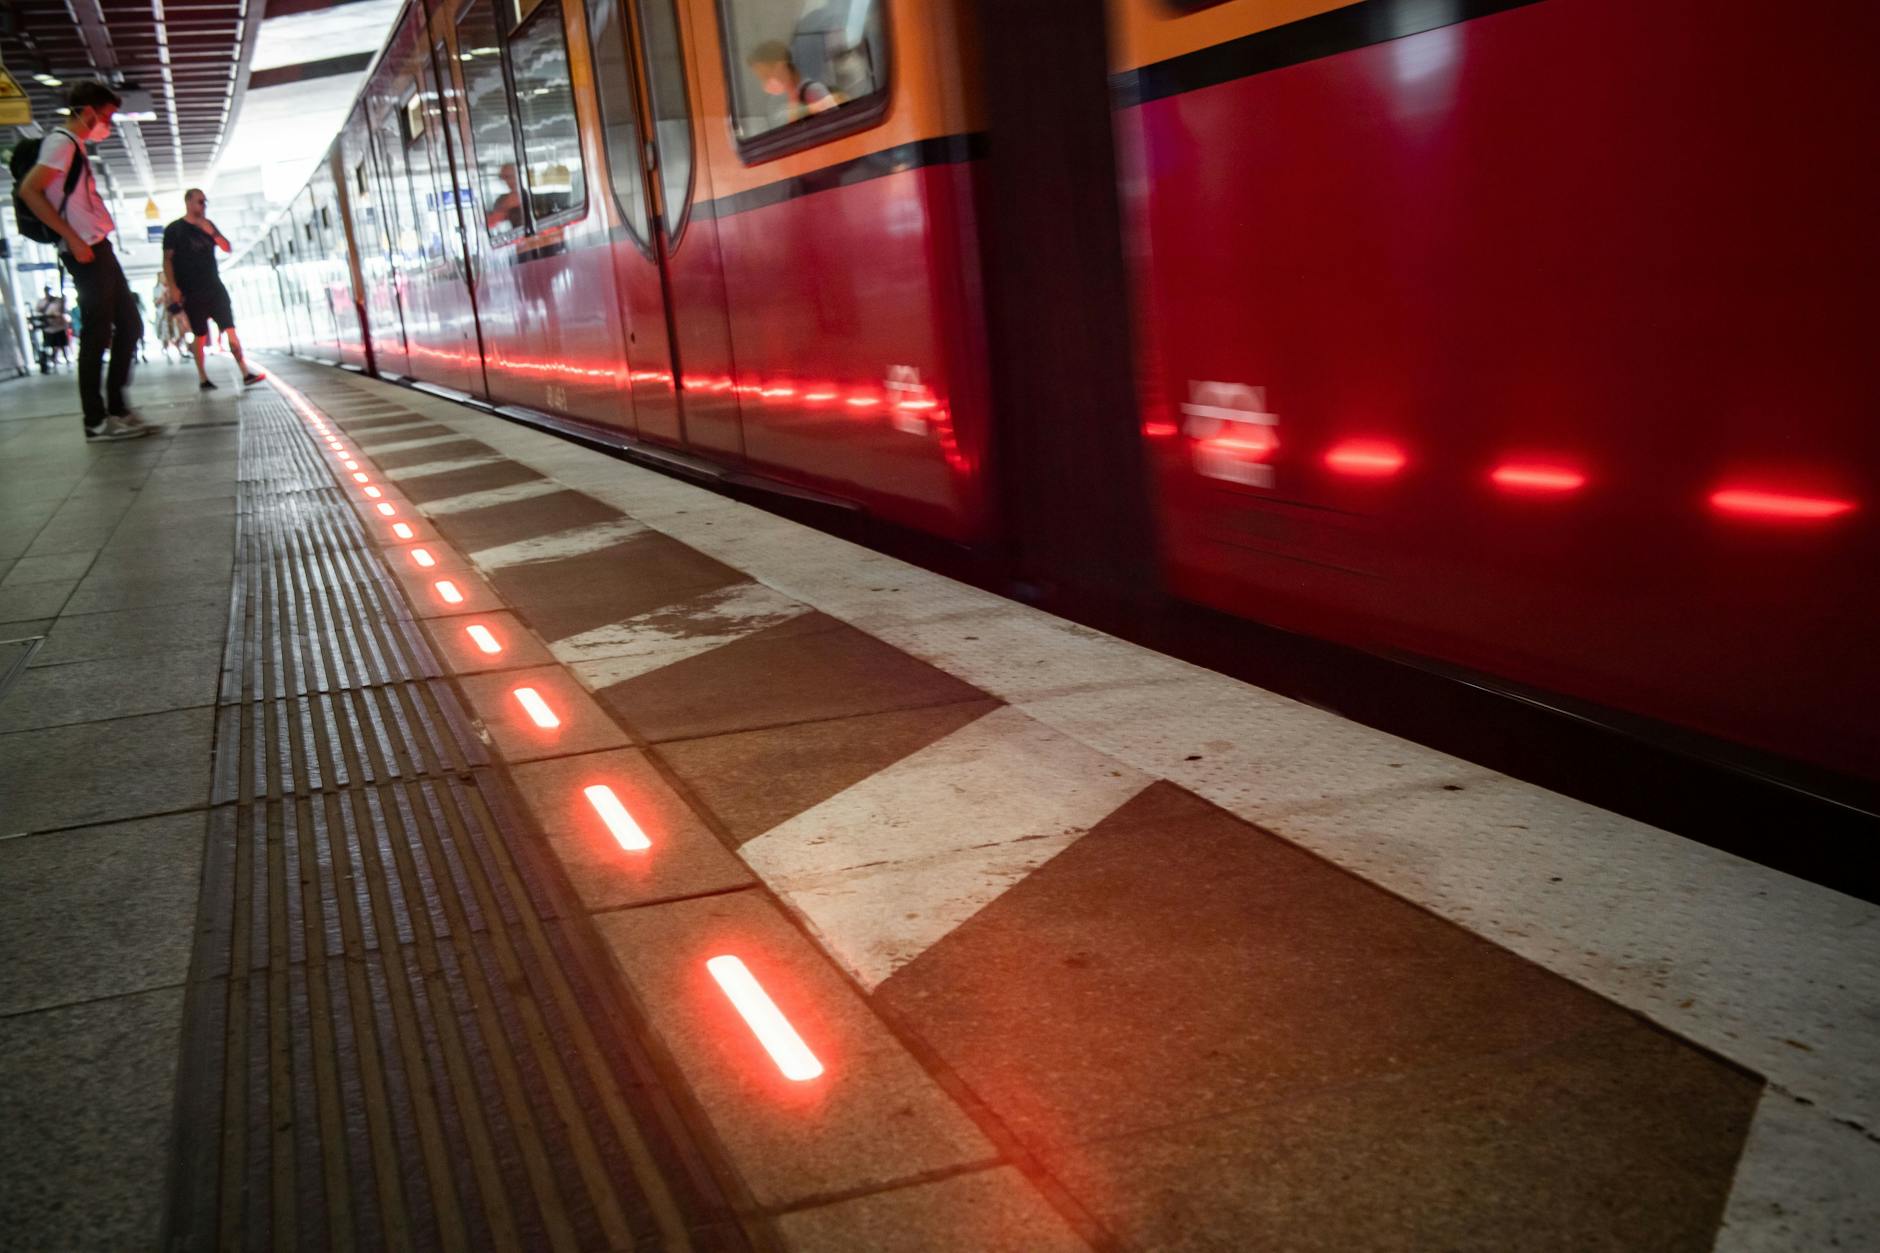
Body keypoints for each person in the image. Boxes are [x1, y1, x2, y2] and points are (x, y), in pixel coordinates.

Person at [17, 81, 151, 441]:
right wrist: (72, 237)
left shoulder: (73, 145)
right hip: (84, 250)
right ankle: (96, 420)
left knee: (131, 326)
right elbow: (29, 190)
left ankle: (117, 408)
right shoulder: (61, 143)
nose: (107, 123)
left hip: (97, 246)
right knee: (96, 335)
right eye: (106, 116)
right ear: (89, 112)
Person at [162, 188, 264, 390]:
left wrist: (212, 231)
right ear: (188, 202)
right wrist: (173, 287)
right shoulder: (174, 229)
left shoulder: (208, 227)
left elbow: (227, 247)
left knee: (230, 329)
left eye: (205, 202)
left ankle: (245, 372)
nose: (203, 206)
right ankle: (203, 378)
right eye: (200, 202)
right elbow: (167, 260)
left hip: (214, 287)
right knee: (199, 335)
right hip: (191, 291)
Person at [744, 41, 838, 123]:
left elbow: (835, 124)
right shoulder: (778, 101)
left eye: (765, 75)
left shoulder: (813, 90)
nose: (764, 85)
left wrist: (815, 107)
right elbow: (779, 118)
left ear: (780, 67)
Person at [32, 286, 70, 371]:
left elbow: (64, 310)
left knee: (62, 344)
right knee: (53, 345)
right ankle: (54, 360)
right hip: (48, 327)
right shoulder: (41, 302)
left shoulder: (58, 300)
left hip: (59, 325)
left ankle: (65, 359)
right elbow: (38, 311)